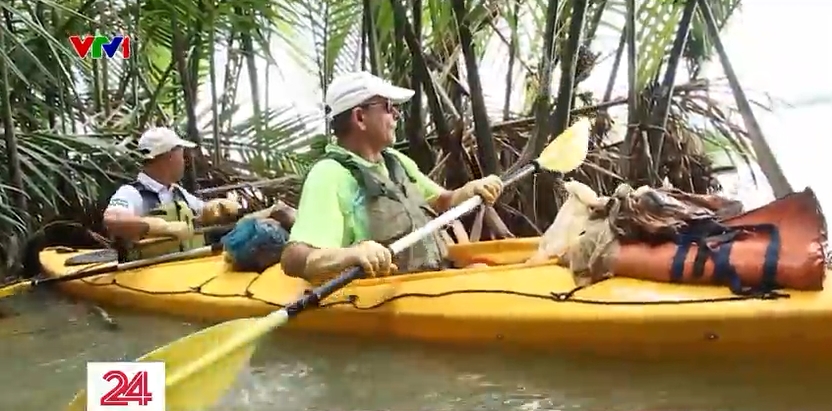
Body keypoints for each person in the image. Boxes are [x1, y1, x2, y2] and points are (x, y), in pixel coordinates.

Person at [281, 71, 503, 284]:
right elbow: (295, 258)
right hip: (383, 298)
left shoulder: (395, 161)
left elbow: (443, 200)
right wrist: (352, 254)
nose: (396, 114)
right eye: (388, 107)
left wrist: (470, 190)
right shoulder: (329, 174)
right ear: (360, 117)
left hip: (433, 278)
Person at [103, 127, 240, 260]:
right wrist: (161, 227)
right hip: (150, 275)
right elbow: (113, 220)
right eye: (181, 155)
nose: (184, 162)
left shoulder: (177, 192)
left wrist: (216, 207)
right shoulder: (132, 193)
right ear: (169, 157)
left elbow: (201, 211)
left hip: (186, 269)